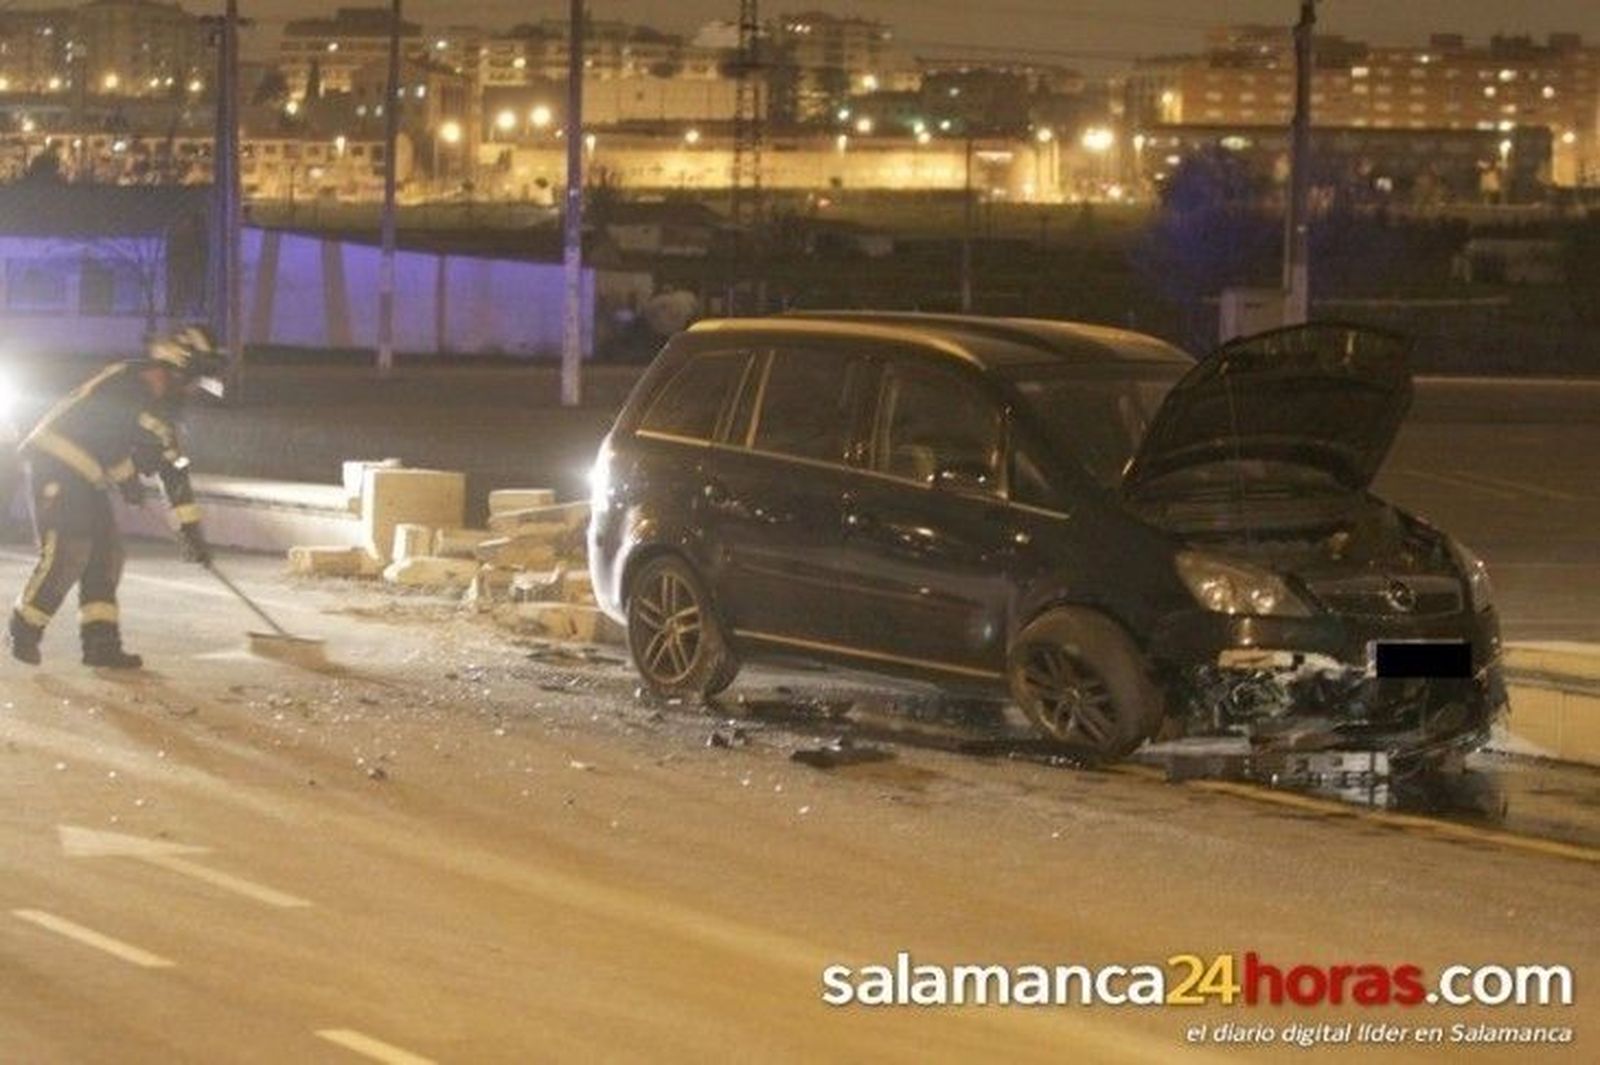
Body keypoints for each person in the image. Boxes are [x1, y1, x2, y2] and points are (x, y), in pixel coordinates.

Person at [8, 326, 223, 668]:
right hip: (58, 461)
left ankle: (101, 644)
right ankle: (24, 628)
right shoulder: (131, 381)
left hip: (88, 474)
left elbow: (171, 467)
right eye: (192, 380)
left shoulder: (156, 402)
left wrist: (190, 532)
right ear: (177, 366)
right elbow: (111, 436)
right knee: (70, 549)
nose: (192, 390)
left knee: (108, 554)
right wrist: (128, 478)